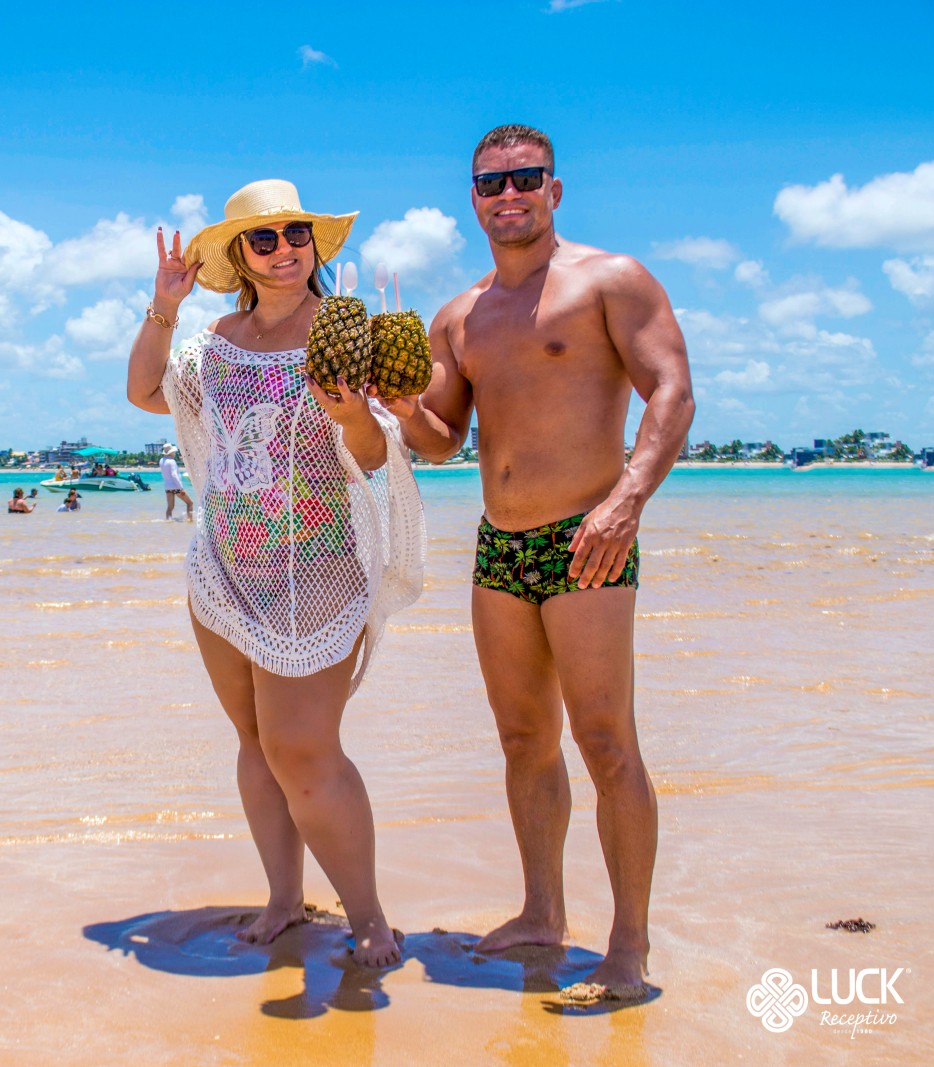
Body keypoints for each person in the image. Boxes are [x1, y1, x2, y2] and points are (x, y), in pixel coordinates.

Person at [384, 125, 694, 1003]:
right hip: (501, 546)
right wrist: (400, 404)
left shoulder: (610, 281)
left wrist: (628, 499)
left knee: (606, 741)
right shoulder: (459, 316)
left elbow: (672, 390)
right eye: (492, 183)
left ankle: (628, 946)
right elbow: (441, 440)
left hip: (589, 537)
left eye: (525, 178)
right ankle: (541, 912)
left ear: (555, 189)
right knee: (523, 739)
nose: (508, 194)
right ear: (473, 200)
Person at [127, 178, 425, 967]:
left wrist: (352, 412)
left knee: (305, 752)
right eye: (265, 239)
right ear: (240, 256)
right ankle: (286, 900)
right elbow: (146, 390)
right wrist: (165, 306)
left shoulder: (343, 332)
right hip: (224, 570)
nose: (285, 249)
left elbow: (373, 454)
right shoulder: (214, 342)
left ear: (314, 245)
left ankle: (369, 917)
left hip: (317, 574)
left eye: (297, 234)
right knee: (257, 744)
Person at [158, 443, 194, 521]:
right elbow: (174, 475)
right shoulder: (172, 461)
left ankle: (168, 521)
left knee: (170, 507)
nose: (174, 453)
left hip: (167, 487)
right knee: (190, 503)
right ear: (171, 452)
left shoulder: (161, 461)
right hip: (176, 487)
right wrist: (181, 488)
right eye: (173, 452)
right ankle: (190, 520)